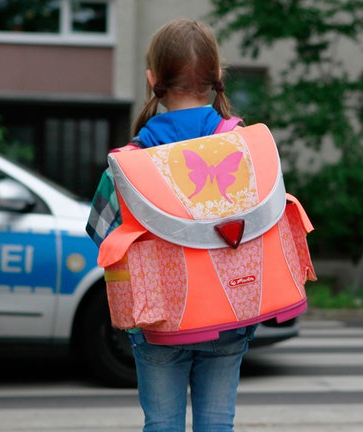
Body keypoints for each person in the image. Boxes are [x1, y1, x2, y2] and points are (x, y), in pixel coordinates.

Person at [86, 18, 253, 432]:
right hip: (229, 313)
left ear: (152, 78)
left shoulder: (130, 161)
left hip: (160, 318)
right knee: (219, 423)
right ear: (216, 78)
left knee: (161, 423)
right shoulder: (244, 146)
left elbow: (100, 230)